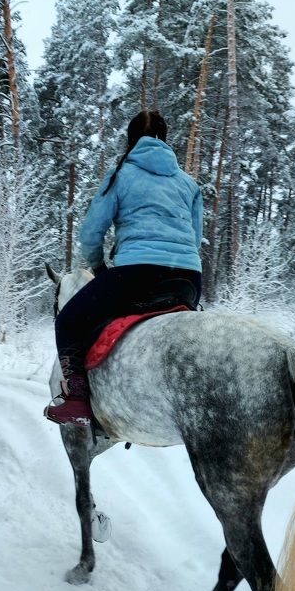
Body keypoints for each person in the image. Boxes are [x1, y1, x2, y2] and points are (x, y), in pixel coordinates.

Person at [45, 110, 203, 427]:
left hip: (138, 272)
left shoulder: (121, 174)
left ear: (130, 141)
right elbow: (195, 237)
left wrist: (99, 265)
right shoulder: (188, 184)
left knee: (69, 321)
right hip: (188, 277)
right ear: (166, 138)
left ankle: (76, 398)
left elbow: (91, 232)